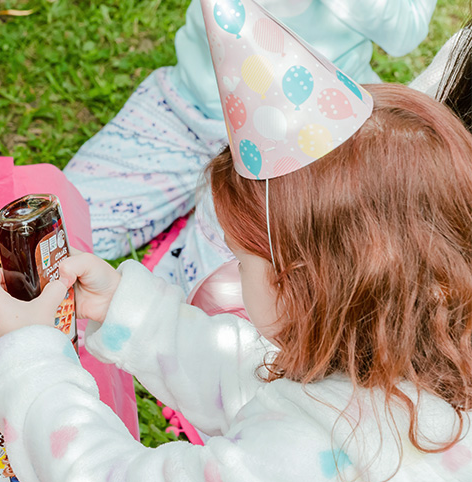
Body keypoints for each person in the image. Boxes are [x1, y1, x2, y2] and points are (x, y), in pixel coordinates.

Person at [0, 81, 472, 482]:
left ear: (301, 285)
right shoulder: (416, 360)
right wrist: (132, 313)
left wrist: (28, 362)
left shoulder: (298, 476)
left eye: (243, 259)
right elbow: (250, 374)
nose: (234, 269)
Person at [64, 0, 436, 291]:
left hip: (298, 140)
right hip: (187, 106)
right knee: (60, 231)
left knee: (219, 302)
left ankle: (209, 214)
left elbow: (404, 32)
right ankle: (202, 204)